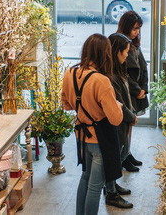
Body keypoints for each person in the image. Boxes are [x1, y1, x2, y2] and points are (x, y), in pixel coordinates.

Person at [61, 33, 124, 215]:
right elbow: (116, 119)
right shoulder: (101, 80)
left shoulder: (70, 73)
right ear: (104, 54)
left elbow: (66, 104)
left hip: (81, 136)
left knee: (85, 179)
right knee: (95, 187)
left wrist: (84, 107)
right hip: (99, 139)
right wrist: (117, 105)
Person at [103, 33, 138, 208]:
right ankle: (111, 193)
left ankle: (111, 186)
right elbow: (119, 104)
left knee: (120, 154)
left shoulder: (118, 71)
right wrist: (131, 117)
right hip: (117, 123)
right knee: (113, 158)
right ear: (116, 51)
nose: (127, 55)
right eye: (125, 51)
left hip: (122, 123)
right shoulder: (110, 76)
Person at [117, 11, 148, 171]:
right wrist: (137, 90)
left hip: (136, 90)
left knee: (130, 123)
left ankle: (127, 153)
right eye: (134, 28)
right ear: (127, 27)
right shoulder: (120, 44)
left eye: (139, 29)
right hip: (127, 91)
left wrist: (144, 87)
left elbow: (143, 67)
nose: (136, 32)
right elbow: (124, 73)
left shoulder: (134, 44)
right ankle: (124, 155)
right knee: (126, 123)